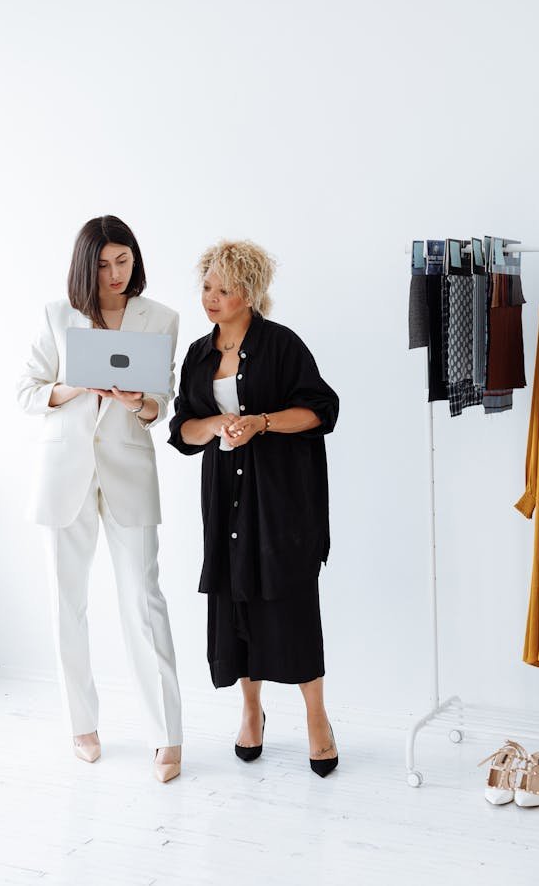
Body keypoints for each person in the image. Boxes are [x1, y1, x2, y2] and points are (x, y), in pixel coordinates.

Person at [17, 215, 182, 783]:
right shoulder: (57, 316)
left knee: (143, 600)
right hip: (64, 472)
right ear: (85, 265)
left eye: (124, 261)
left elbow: (162, 404)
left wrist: (138, 400)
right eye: (104, 263)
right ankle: (81, 725)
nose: (115, 274)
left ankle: (167, 736)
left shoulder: (160, 318)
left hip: (129, 471)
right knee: (69, 603)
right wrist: (74, 386)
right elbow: (28, 390)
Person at [168, 240, 340, 775]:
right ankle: (250, 712)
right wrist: (219, 425)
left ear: (251, 294)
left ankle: (317, 719)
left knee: (292, 603)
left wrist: (260, 422)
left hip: (282, 496)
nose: (212, 299)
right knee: (236, 603)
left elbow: (321, 409)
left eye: (225, 289)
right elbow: (182, 429)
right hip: (225, 497)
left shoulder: (282, 346)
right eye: (207, 287)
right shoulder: (198, 354)